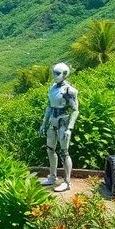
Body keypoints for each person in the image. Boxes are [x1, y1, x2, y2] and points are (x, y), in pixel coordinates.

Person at [38, 62, 79, 192]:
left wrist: (70, 128)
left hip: (64, 122)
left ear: (65, 74)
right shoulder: (52, 88)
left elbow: (75, 110)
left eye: (58, 73)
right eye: (54, 73)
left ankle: (67, 181)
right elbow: (50, 106)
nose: (55, 76)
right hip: (53, 121)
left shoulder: (69, 90)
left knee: (64, 152)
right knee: (50, 149)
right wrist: (43, 123)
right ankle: (53, 176)